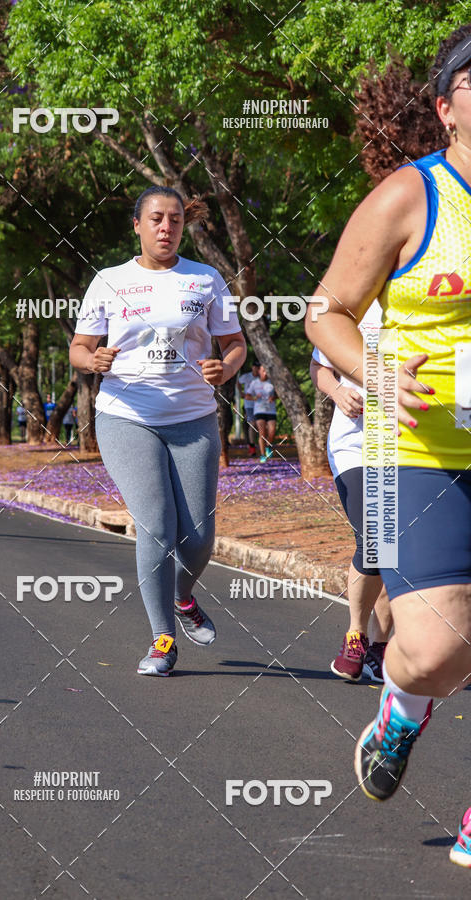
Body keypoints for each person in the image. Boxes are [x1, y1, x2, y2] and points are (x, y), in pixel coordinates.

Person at [305, 26, 471, 841]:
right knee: (437, 651)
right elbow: (326, 311)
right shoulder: (414, 197)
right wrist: (371, 373)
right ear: (447, 108)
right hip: (422, 454)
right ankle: (402, 709)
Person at [69, 185, 246, 676]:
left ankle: (184, 597)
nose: (166, 228)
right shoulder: (109, 281)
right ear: (138, 226)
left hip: (192, 417)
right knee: (156, 524)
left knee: (199, 536)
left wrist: (225, 369)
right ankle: (162, 639)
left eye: (173, 220)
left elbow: (235, 343)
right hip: (126, 415)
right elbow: (79, 348)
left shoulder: (206, 279)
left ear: (182, 226)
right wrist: (94, 359)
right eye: (155, 219)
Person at [310, 299, 393, 683]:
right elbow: (320, 367)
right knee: (375, 539)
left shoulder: (435, 308)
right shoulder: (355, 305)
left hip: (409, 447)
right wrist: (339, 394)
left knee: (397, 548)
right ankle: (356, 635)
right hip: (355, 445)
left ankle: (381, 647)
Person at [250, 364, 276, 462]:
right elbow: (247, 395)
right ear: (259, 371)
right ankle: (262, 455)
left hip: (271, 410)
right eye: (263, 370)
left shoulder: (272, 383)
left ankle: (268, 446)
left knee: (272, 431)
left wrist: (273, 397)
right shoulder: (254, 383)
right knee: (262, 433)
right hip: (259, 410)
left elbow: (278, 394)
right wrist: (254, 398)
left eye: (266, 371)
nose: (264, 373)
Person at [237, 361, 260, 456]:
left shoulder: (262, 377)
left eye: (259, 367)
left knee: (262, 426)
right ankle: (252, 447)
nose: (257, 369)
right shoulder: (246, 376)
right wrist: (241, 392)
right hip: (249, 405)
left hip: (261, 405)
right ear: (252, 367)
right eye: (256, 366)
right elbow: (238, 382)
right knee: (252, 424)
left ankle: (265, 447)